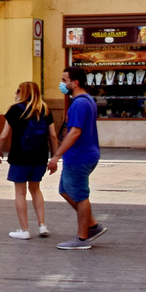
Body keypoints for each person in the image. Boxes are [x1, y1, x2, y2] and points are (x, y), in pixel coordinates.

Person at [48, 64, 104, 251]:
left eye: (64, 80)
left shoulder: (80, 103)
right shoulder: (86, 100)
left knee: (80, 196)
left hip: (80, 156)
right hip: (81, 155)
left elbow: (74, 132)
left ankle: (82, 239)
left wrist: (56, 155)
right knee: (65, 190)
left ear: (75, 82)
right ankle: (92, 225)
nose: (62, 84)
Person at [0, 81, 56, 239]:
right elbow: (53, 136)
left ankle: (24, 230)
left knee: (20, 193)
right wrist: (54, 156)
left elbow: (3, 135)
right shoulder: (45, 109)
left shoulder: (15, 110)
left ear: (21, 92)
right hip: (40, 157)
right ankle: (42, 225)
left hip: (19, 156)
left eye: (17, 90)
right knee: (36, 190)